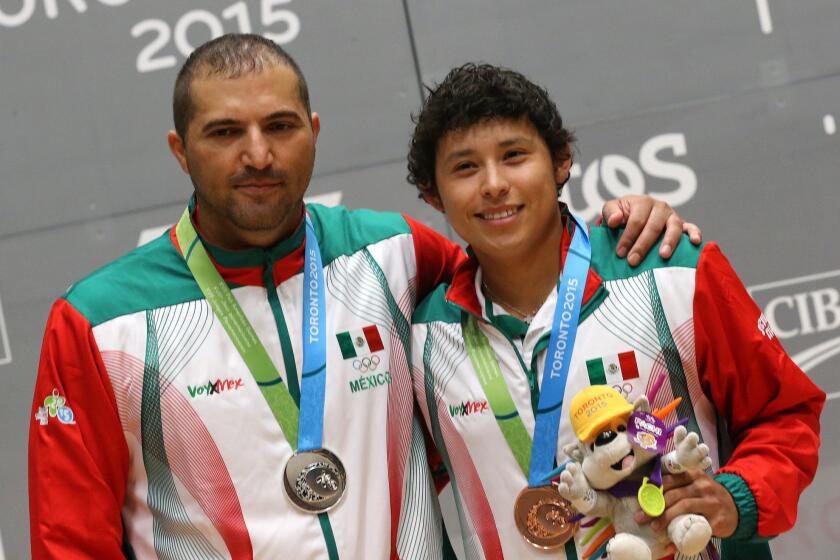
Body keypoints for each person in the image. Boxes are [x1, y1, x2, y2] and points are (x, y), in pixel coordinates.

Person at [29, 35, 698, 559]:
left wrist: (624, 223)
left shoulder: (395, 254)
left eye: (281, 126)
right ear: (180, 150)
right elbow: (69, 543)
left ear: (315, 131)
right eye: (225, 132)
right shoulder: (102, 322)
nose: (258, 154)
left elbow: (521, 271)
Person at [407, 63, 825, 560]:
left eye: (514, 156)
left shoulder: (670, 271)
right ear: (433, 194)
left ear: (561, 161)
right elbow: (397, 493)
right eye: (465, 167)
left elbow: (784, 413)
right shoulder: (424, 339)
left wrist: (736, 499)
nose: (494, 184)